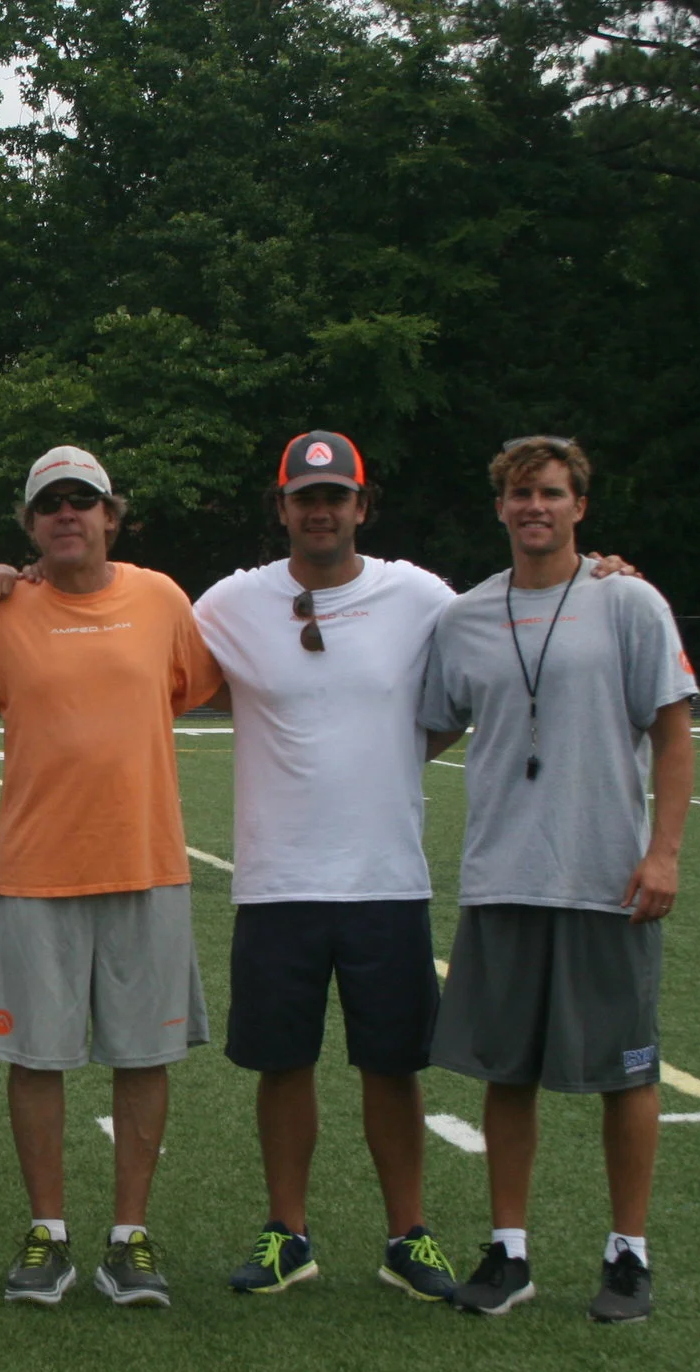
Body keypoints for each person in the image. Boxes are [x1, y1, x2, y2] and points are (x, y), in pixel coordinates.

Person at [417, 436, 695, 1325]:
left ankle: (628, 1253)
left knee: (627, 1073)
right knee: (507, 1071)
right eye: (519, 492)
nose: (534, 506)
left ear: (580, 505)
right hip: (503, 877)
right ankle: (509, 1250)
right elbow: (428, 727)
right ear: (499, 507)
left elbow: (675, 734)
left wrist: (664, 852)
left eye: (551, 491)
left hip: (606, 879)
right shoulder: (465, 615)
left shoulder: (629, 601)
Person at [190, 433, 466, 1301]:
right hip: (278, 878)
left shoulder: (419, 594)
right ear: (281, 508)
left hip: (386, 876)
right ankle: (288, 1232)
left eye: (335, 495)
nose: (320, 510)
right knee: (283, 1062)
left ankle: (408, 1233)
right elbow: (147, 638)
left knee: (393, 1063)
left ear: (362, 505)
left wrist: (600, 571)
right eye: (304, 496)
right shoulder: (232, 602)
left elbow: (478, 668)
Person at [0, 446, 221, 1307]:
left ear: (112, 515)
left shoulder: (162, 598)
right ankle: (49, 1233)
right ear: (30, 524)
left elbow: (184, 689)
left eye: (83, 500)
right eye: (49, 504)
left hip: (146, 861)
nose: (66, 513)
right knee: (36, 1058)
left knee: (143, 1055)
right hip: (36, 870)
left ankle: (129, 1237)